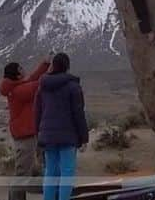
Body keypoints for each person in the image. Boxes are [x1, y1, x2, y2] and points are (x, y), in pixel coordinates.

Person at [34, 53, 89, 200]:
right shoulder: (73, 86)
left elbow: (37, 111)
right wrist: (84, 137)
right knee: (67, 172)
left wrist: (38, 133)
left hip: (48, 136)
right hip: (68, 136)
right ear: (67, 66)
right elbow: (78, 113)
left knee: (50, 171)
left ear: (53, 65)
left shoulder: (42, 86)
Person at [0, 55, 52, 200]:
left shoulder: (16, 85)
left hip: (28, 132)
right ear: (17, 74)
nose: (24, 69)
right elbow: (37, 84)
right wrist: (53, 73)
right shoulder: (19, 91)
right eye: (21, 68)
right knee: (22, 172)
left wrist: (45, 63)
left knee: (29, 169)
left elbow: (32, 78)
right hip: (25, 135)